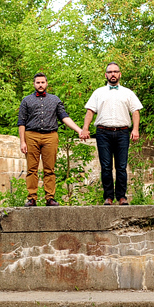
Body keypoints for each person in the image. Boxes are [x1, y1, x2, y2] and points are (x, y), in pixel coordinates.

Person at [79, 62, 143, 205]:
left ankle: (121, 197)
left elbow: (135, 112)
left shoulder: (128, 92)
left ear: (120, 74)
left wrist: (135, 129)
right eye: (110, 72)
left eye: (115, 71)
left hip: (122, 133)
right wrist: (85, 128)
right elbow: (90, 111)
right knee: (106, 166)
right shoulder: (98, 92)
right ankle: (108, 197)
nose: (113, 74)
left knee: (121, 166)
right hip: (103, 133)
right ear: (106, 75)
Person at [17, 72, 83, 207]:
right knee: (31, 169)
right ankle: (32, 198)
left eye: (42, 82)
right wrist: (22, 141)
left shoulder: (55, 100)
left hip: (50, 136)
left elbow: (64, 117)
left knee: (50, 169)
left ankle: (50, 197)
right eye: (38, 82)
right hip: (31, 135)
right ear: (34, 84)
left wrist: (79, 130)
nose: (40, 85)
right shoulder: (26, 100)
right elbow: (21, 122)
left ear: (46, 83)